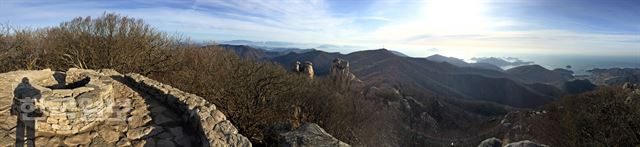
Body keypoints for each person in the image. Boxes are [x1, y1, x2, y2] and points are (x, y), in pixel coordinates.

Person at [11, 78, 42, 147]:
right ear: (28, 82)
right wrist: (34, 99)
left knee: (20, 128)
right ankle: (30, 145)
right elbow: (39, 94)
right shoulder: (32, 89)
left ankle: (19, 145)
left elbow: (14, 97)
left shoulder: (17, 89)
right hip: (28, 109)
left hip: (20, 110)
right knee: (30, 129)